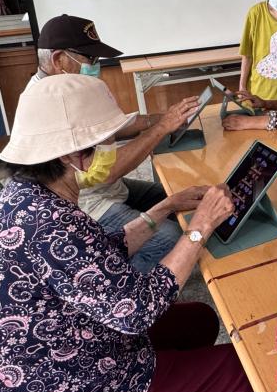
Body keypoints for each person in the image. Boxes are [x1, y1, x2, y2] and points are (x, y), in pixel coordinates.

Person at [0, 75, 261, 392]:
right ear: (73, 155)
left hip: (52, 359)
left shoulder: (26, 197)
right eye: (104, 142)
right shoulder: (48, 222)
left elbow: (97, 255)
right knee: (237, 372)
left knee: (198, 320)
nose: (112, 149)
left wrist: (164, 208)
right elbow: (139, 311)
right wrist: (200, 227)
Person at [30, 14, 199, 272]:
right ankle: (125, 286)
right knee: (170, 235)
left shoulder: (67, 88)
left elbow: (113, 126)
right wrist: (163, 127)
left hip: (108, 191)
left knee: (184, 194)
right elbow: (105, 171)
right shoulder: (48, 105)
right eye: (90, 60)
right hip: (90, 204)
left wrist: (161, 118)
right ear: (59, 60)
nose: (95, 67)